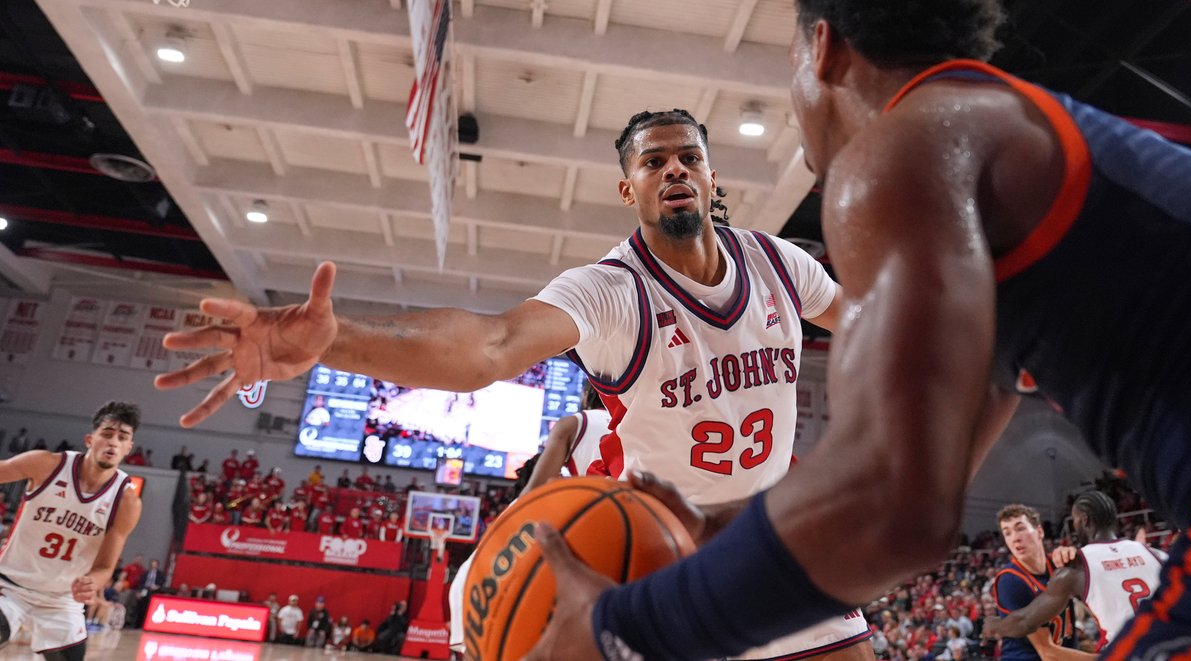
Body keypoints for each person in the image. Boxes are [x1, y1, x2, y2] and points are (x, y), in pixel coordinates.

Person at [483, 0, 1191, 661]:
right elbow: (929, 476)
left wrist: (619, 631)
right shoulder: (981, 149)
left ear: (827, 49)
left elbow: (893, 503)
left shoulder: (903, 151)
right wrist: (688, 543)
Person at [158, 110, 875, 661]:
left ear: (714, 178)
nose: (676, 169)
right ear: (629, 188)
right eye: (654, 161)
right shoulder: (610, 290)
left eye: (691, 157)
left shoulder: (781, 264)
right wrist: (332, 341)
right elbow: (491, 345)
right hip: (661, 546)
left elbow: (868, 324)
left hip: (769, 535)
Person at [0, 401, 144, 661]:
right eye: (107, 434)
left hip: (61, 600)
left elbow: (104, 567)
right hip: (9, 585)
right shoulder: (46, 464)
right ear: (90, 439)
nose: (113, 442)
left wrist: (93, 583)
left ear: (128, 449)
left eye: (122, 438)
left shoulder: (127, 501)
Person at [984, 491, 1163, 651]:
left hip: (1126, 651)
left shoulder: (1076, 567)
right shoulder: (1156, 554)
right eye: (1007, 533)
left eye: (1074, 520)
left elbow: (1025, 623)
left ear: (1083, 520)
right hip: (1172, 647)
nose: (1015, 538)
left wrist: (995, 626)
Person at [985, 505, 1083, 661]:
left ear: (1039, 532)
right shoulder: (1010, 580)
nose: (1015, 538)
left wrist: (1079, 561)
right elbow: (1048, 653)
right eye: (1007, 533)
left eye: (1020, 528)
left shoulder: (1059, 565)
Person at [519, 382, 607, 496]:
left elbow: (535, 491)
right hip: (632, 504)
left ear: (586, 396)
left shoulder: (572, 423)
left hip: (596, 504)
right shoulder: (627, 426)